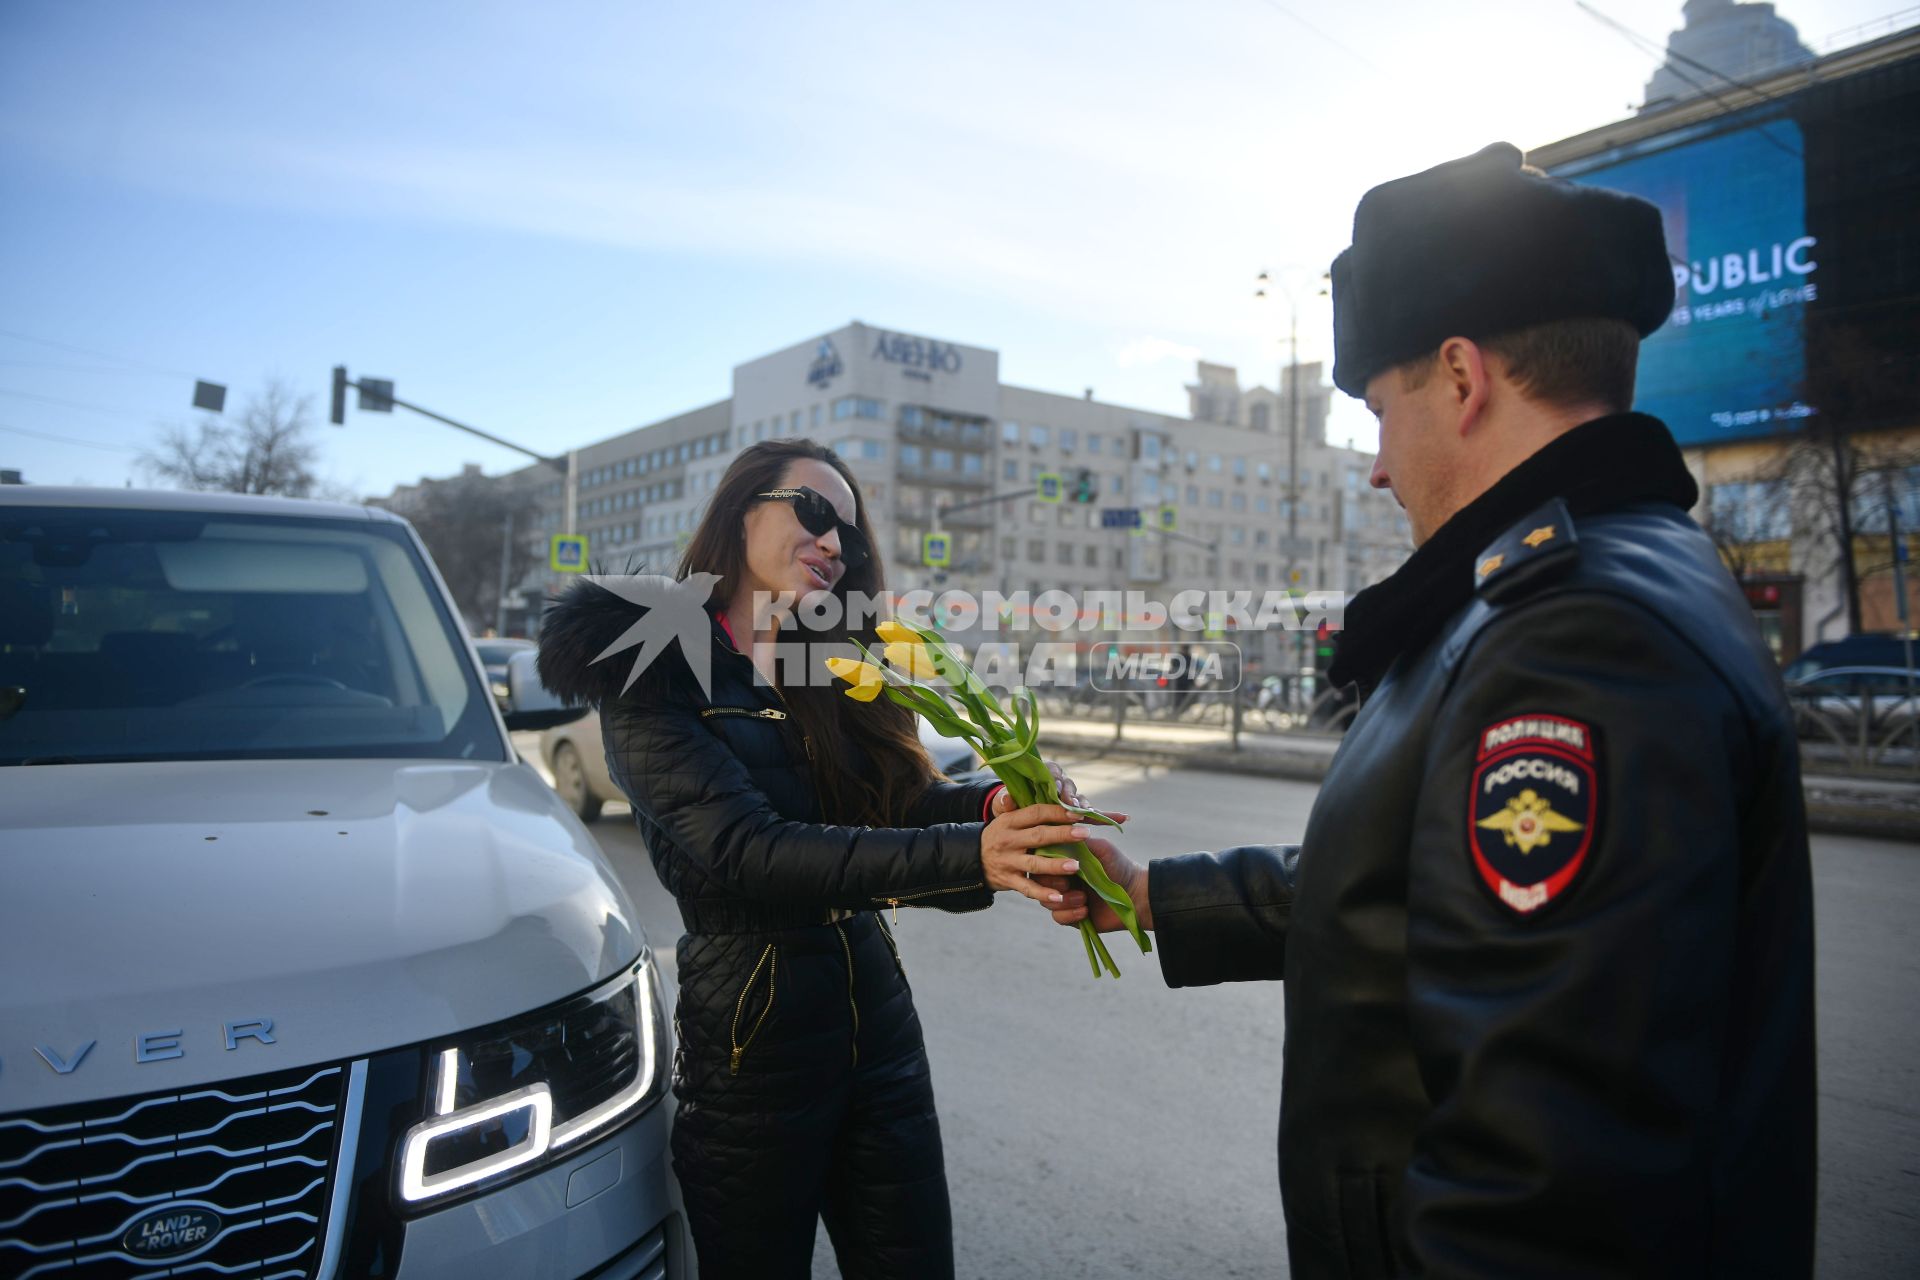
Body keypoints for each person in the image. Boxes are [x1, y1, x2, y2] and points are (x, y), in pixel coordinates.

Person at [1046, 143, 1816, 1278]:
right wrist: (1163, 896)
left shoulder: (1570, 637)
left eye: (1377, 410)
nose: (1374, 467)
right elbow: (1426, 876)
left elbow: (1543, 1193)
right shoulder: (1597, 574)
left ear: (1462, 377)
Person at [538, 438, 1103, 1279]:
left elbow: (891, 811)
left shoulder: (831, 665)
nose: (836, 543)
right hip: (751, 1045)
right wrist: (973, 853)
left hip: (879, 1026)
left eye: (848, 531)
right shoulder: (650, 666)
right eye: (813, 513)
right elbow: (746, 851)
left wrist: (997, 807)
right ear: (740, 510)